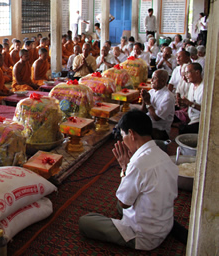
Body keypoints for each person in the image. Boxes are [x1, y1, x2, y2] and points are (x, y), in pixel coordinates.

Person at [79, 109, 178, 251]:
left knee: (85, 222)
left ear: (131, 134)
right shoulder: (163, 155)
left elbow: (124, 203)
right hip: (164, 224)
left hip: (144, 236)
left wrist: (125, 168)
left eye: (123, 135)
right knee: (122, 204)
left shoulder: (138, 163)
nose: (123, 140)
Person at [140, 70, 175, 140]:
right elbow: (143, 113)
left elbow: (157, 118)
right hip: (149, 125)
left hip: (160, 130)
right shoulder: (151, 92)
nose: (151, 80)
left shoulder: (168, 97)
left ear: (162, 81)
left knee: (137, 132)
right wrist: (144, 100)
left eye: (154, 78)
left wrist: (148, 102)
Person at [178, 63, 203, 134]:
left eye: (188, 73)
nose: (186, 76)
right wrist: (184, 104)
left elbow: (207, 109)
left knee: (183, 131)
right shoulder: (192, 85)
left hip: (200, 121)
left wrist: (190, 104)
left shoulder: (204, 88)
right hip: (191, 118)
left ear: (197, 73)